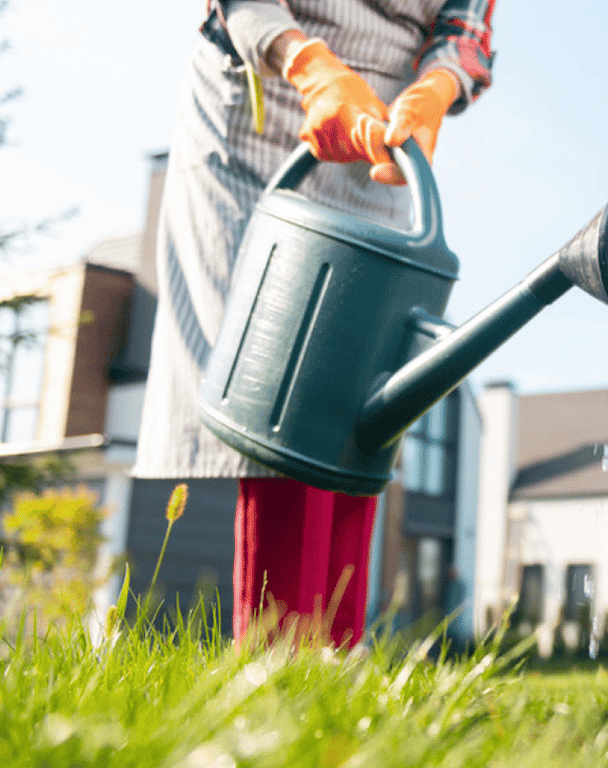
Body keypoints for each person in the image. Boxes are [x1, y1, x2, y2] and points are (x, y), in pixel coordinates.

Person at [134, 0, 494, 648]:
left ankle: (334, 664)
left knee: (361, 402)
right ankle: (278, 667)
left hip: (386, 129)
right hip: (262, 102)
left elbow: (467, 26)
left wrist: (437, 87)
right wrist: (310, 64)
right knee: (281, 386)